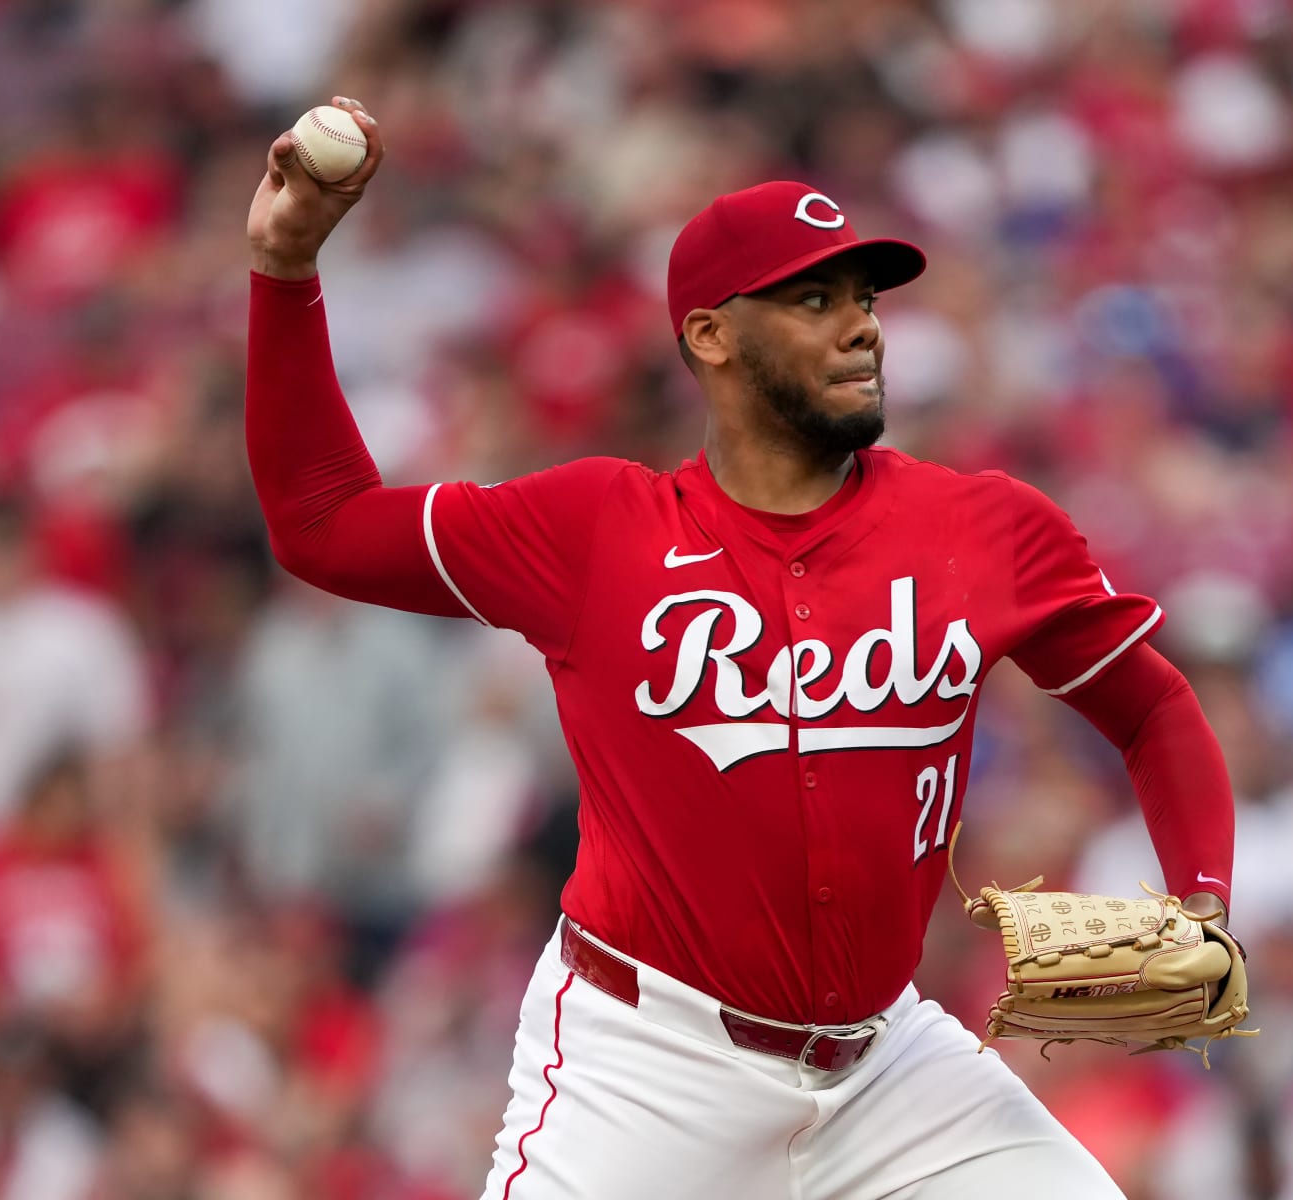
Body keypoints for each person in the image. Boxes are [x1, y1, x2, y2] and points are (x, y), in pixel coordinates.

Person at [245, 98, 1238, 1199]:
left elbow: (1151, 712)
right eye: (814, 299)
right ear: (709, 335)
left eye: (864, 298)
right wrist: (286, 269)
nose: (860, 325)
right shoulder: (593, 533)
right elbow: (323, 526)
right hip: (649, 1062)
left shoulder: (983, 527)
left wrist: (1199, 910)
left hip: (887, 1068)